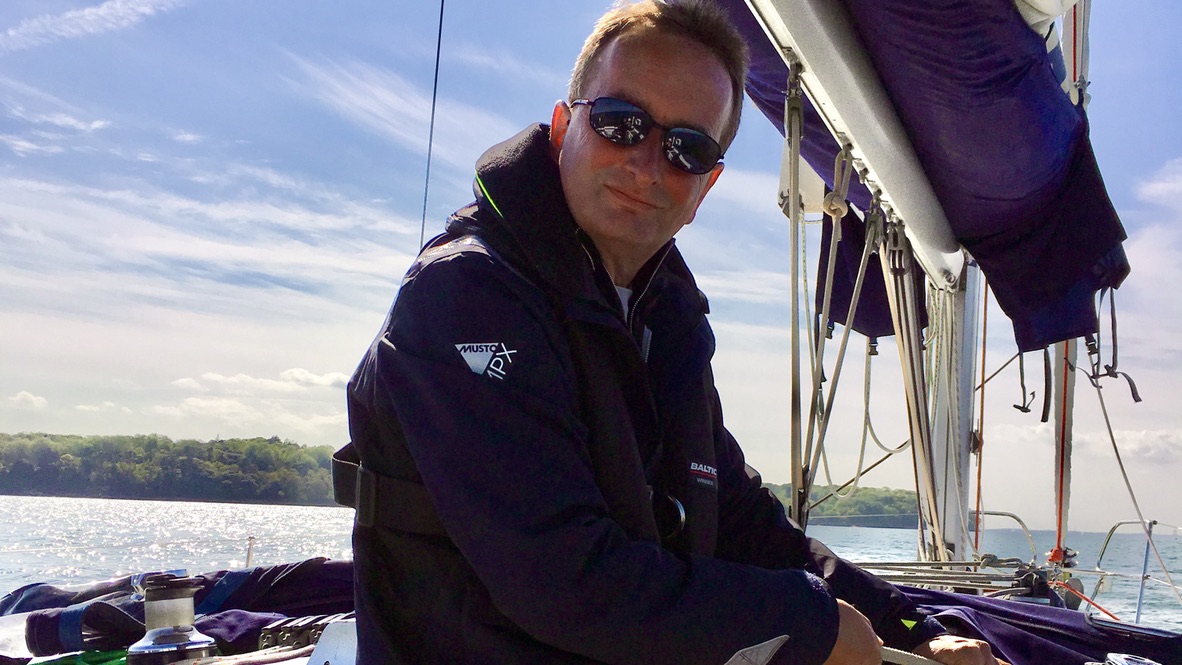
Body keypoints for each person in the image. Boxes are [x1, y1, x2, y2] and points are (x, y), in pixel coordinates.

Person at [345, 1, 1008, 663]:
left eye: (687, 148)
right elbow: (565, 580)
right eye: (620, 122)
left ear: (706, 186)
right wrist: (807, 623)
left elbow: (744, 522)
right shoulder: (465, 296)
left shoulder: (664, 322)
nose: (647, 164)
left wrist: (910, 626)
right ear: (563, 128)